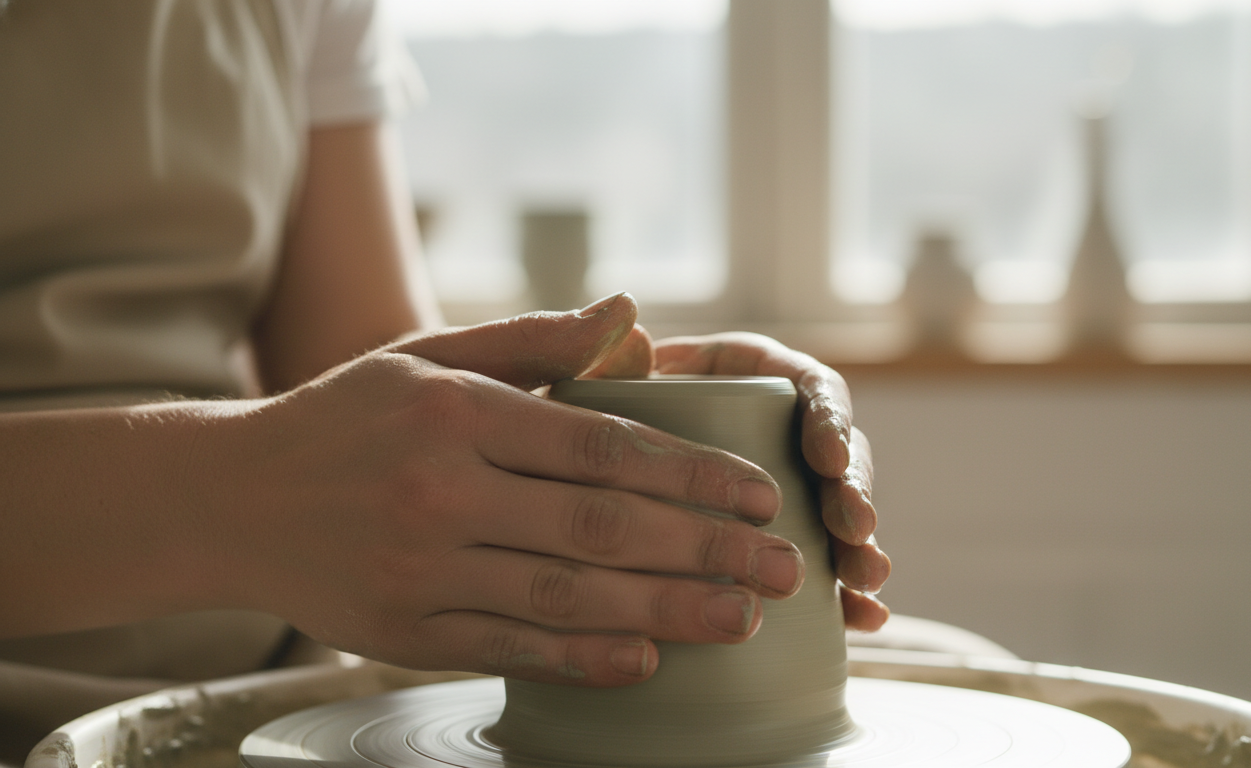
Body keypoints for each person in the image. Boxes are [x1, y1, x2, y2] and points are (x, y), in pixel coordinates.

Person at [0, 0, 889, 756]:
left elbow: (359, 382)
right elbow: (296, 469)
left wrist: (610, 427)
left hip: (268, 659)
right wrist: (232, 499)